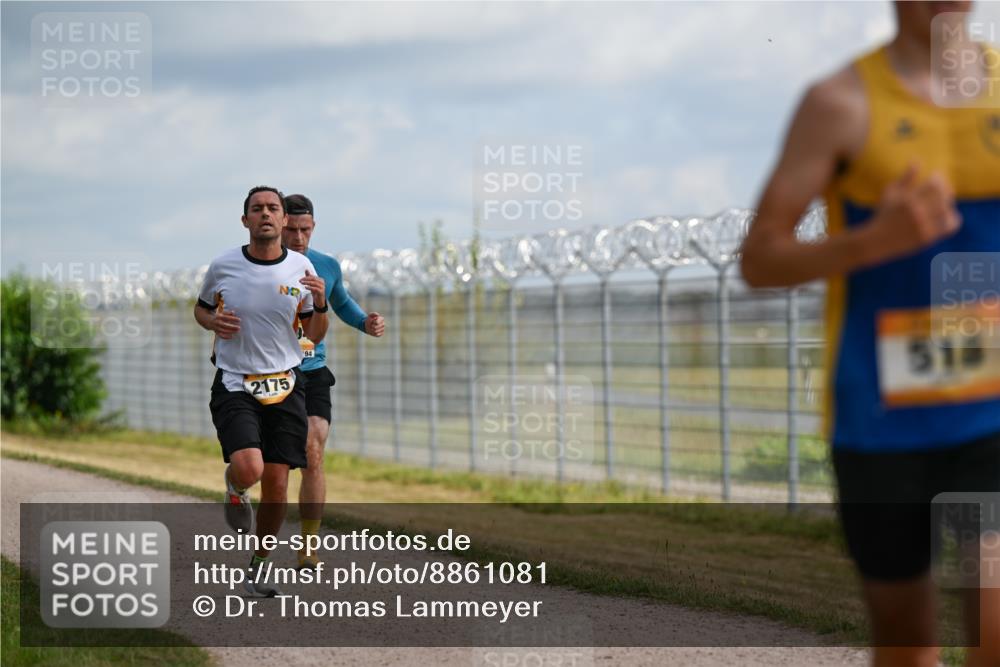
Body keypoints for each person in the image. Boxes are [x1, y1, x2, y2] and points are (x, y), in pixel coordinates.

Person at [740, 3, 999, 666]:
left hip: (992, 410)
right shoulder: (838, 103)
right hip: (879, 419)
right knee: (906, 642)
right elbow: (760, 259)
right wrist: (873, 241)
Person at [194, 185, 329, 597]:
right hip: (236, 382)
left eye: (273, 208)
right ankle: (236, 487)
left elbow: (314, 332)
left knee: (277, 486)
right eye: (257, 209)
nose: (266, 214)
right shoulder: (224, 265)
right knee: (250, 469)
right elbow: (201, 308)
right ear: (245, 220)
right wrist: (212, 322)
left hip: (286, 384)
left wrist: (321, 304)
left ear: (284, 220)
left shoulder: (301, 268)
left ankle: (258, 567)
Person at [282, 193, 385, 570]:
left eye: (305, 230)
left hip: (312, 369)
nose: (299, 238)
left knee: (313, 447)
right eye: (292, 230)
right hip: (270, 371)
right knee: (263, 462)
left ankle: (308, 546)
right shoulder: (262, 265)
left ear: (313, 227)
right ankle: (239, 483)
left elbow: (342, 303)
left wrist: (365, 322)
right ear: (279, 226)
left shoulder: (326, 265)